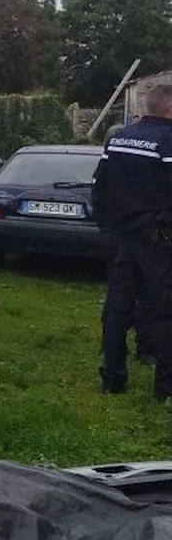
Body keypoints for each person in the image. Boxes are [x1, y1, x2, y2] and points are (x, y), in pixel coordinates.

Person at [93, 87, 172, 399]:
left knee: (118, 308)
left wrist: (107, 225)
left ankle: (112, 379)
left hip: (122, 237)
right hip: (158, 238)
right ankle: (165, 390)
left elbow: (100, 186)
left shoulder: (119, 138)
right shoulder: (168, 142)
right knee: (165, 311)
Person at [101, 122, 157, 368]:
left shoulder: (111, 163)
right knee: (142, 294)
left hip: (118, 234)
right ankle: (145, 348)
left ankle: (113, 349)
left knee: (118, 295)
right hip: (135, 235)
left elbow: (98, 194)